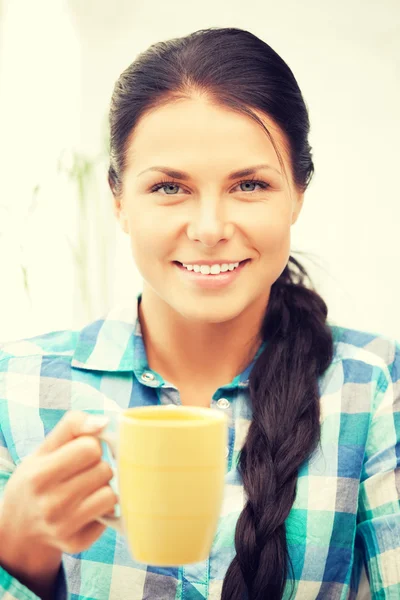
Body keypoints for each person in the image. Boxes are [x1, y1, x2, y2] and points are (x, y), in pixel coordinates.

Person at [0, 26, 399, 600]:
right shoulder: (16, 390)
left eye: (250, 184)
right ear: (119, 201)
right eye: (168, 188)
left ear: (298, 194)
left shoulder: (374, 384)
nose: (210, 229)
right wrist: (18, 557)